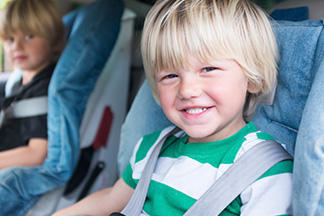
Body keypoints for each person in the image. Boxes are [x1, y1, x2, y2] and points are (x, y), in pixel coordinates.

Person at [54, 0, 293, 215]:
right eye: (170, 75)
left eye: (208, 69)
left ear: (253, 79)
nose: (187, 90)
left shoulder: (266, 171)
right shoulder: (151, 148)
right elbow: (112, 199)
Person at [0, 0, 65, 169]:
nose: (17, 46)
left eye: (29, 36)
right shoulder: (20, 81)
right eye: (10, 38)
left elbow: (36, 153)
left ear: (55, 41)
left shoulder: (44, 88)